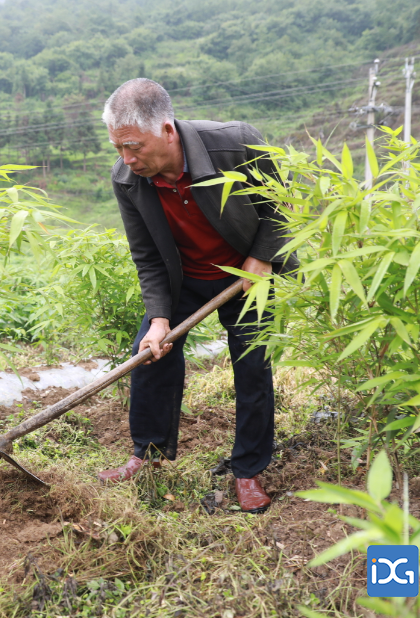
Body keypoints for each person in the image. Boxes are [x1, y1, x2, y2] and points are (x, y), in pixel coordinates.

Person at [98, 78, 294, 514]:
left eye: (135, 147)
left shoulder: (235, 144)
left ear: (167, 130)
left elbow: (284, 202)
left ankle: (248, 470)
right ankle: (147, 453)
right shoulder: (128, 178)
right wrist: (159, 318)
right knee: (151, 354)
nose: (128, 159)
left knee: (252, 365)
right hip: (181, 279)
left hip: (246, 277)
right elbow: (147, 255)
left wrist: (262, 258)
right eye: (118, 149)